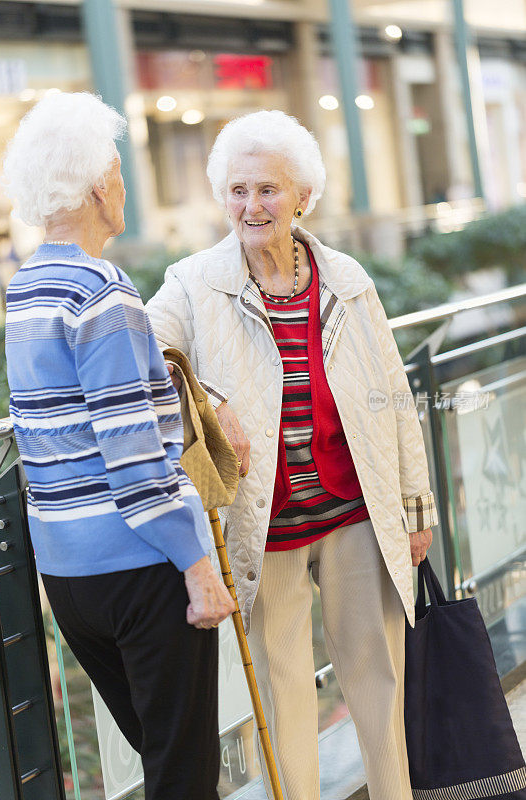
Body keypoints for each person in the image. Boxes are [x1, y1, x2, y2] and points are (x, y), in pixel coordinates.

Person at [146, 110, 438, 800]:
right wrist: (210, 399)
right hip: (263, 524)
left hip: (355, 513)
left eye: (268, 189)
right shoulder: (192, 282)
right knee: (282, 699)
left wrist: (414, 506)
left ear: (303, 195)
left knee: (379, 680)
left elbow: (394, 396)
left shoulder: (345, 279)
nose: (252, 206)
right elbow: (142, 350)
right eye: (238, 189)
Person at [3, 91, 234, 800]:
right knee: (185, 769)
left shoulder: (26, 287)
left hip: (69, 575)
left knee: (160, 754)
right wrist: (195, 565)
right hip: (141, 567)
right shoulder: (102, 292)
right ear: (102, 186)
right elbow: (133, 452)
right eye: (119, 171)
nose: (124, 185)